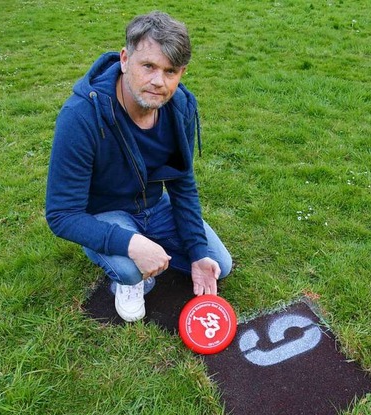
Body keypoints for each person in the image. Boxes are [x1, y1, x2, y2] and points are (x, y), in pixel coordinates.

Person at [45, 11, 232, 322]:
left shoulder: (179, 108)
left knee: (218, 265)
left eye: (170, 71)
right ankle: (128, 274)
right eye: (149, 66)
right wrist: (129, 243)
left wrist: (198, 253)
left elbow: (181, 183)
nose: (159, 82)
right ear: (124, 59)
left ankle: (152, 247)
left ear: (181, 72)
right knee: (130, 270)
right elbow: (61, 214)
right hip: (105, 213)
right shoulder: (81, 116)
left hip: (155, 205)